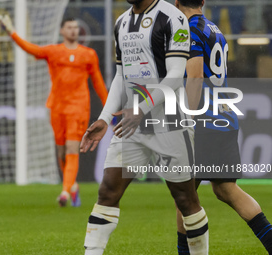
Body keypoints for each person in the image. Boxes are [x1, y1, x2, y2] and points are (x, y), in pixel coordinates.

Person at [80, 0, 209, 254]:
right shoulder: (121, 22)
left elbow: (174, 75)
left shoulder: (173, 18)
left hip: (169, 122)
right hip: (131, 125)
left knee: (185, 199)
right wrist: (105, 119)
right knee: (107, 191)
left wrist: (141, 109)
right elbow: (120, 76)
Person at [174, 0, 272, 254]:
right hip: (224, 120)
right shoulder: (214, 29)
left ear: (176, 3)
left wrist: (187, 118)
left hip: (203, 121)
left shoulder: (189, 31)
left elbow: (194, 77)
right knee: (225, 188)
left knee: (184, 194)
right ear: (203, 2)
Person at [0, 15, 108, 207]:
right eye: (69, 27)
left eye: (75, 27)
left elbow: (98, 82)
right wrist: (12, 33)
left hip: (79, 108)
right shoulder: (53, 52)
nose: (73, 30)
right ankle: (72, 186)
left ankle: (64, 192)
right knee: (61, 151)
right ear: (62, 31)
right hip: (57, 107)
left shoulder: (88, 54)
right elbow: (30, 48)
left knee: (73, 147)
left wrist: (108, 106)